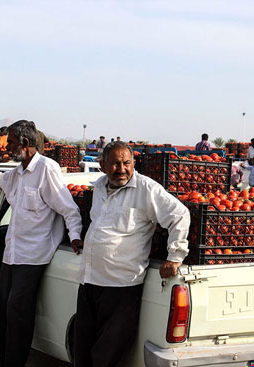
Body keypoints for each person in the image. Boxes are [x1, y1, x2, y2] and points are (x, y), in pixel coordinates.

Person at [73, 141, 190, 367]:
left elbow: (180, 215)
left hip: (121, 288)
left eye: (126, 163)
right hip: (89, 282)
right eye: (115, 163)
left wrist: (175, 256)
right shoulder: (98, 187)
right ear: (103, 165)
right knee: (83, 353)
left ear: (134, 163)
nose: (122, 169)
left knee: (107, 357)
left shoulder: (146, 189)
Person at [0, 120, 83, 367]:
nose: (8, 147)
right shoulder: (16, 173)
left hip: (34, 256)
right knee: (3, 311)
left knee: (18, 313)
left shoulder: (47, 169)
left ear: (25, 143)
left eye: (12, 143)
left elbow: (69, 209)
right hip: (12, 254)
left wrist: (75, 237)